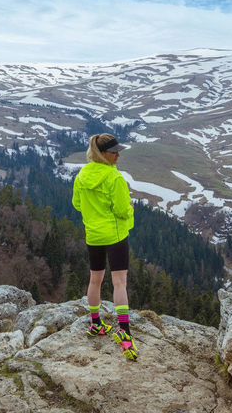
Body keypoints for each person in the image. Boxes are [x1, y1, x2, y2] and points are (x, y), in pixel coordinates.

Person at [72, 133, 138, 361]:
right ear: (103, 154)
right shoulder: (115, 178)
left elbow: (77, 204)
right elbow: (121, 210)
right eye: (114, 152)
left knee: (95, 279)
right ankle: (125, 334)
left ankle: (95, 324)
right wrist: (130, 211)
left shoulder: (82, 175)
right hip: (115, 234)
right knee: (119, 282)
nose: (118, 155)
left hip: (93, 234)